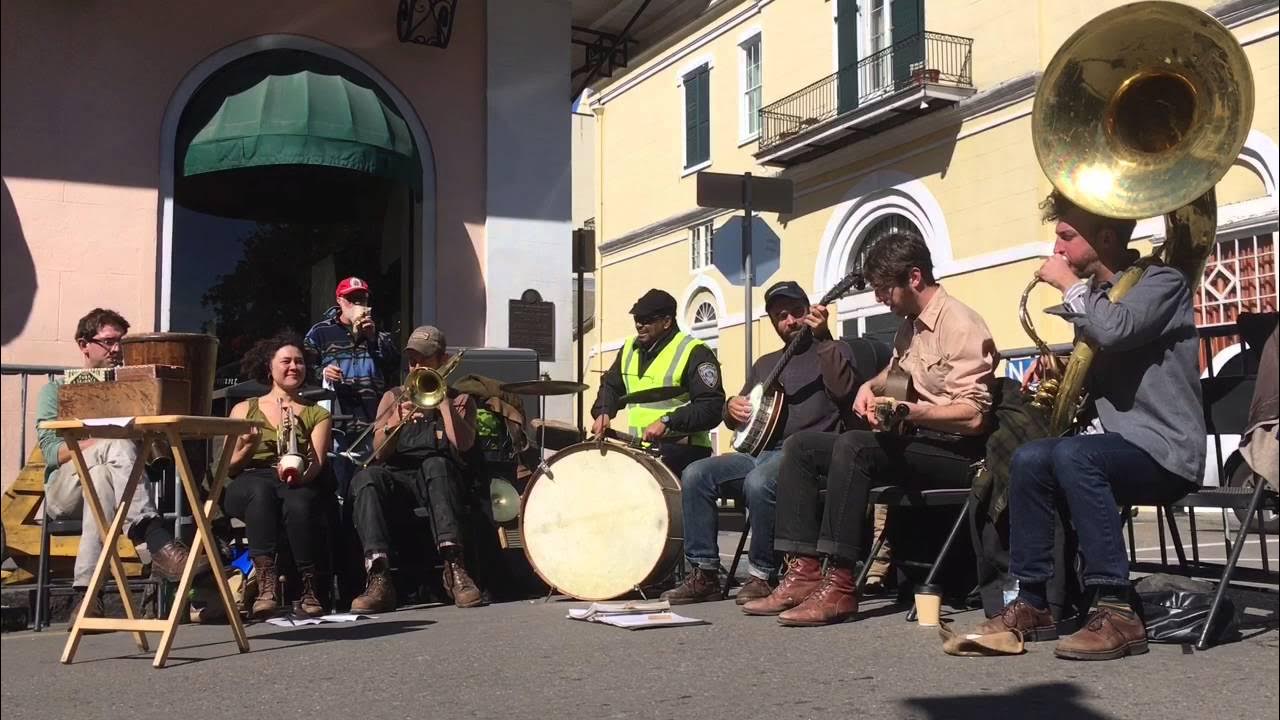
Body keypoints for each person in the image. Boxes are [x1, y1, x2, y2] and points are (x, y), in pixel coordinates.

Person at [976, 191, 1205, 660]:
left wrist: (1069, 287)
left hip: (1165, 451)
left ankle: (1116, 607)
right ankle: (1034, 600)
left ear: (1103, 238)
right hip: (1117, 446)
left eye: (1065, 236)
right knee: (1031, 457)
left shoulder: (1162, 281)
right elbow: (1106, 343)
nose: (1056, 248)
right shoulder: (1097, 299)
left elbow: (1117, 330)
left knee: (1071, 455)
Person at [744, 231, 998, 626]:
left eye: (884, 289)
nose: (880, 298)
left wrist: (907, 411)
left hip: (956, 453)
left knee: (855, 446)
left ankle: (841, 583)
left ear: (914, 278)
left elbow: (974, 415)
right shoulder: (909, 327)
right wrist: (870, 385)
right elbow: (897, 372)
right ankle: (803, 571)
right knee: (802, 446)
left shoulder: (961, 324)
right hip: (919, 441)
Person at [661, 280, 861, 605]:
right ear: (772, 321)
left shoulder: (833, 350)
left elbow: (845, 392)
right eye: (781, 316)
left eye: (796, 312)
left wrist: (824, 338)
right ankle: (705, 573)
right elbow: (737, 416)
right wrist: (730, 409)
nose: (790, 321)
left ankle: (762, 575)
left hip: (807, 458)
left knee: (759, 482)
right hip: (760, 452)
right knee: (697, 473)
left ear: (810, 310)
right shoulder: (765, 364)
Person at [36, 308, 195, 620]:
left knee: (101, 483)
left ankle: (86, 595)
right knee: (113, 449)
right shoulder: (55, 391)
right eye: (109, 342)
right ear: (84, 344)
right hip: (65, 492)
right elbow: (51, 453)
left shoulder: (128, 390)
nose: (117, 350)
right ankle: (152, 537)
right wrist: (104, 442)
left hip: (107, 492)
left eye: (121, 342)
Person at [347, 326, 483, 612]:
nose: (416, 366)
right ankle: (379, 577)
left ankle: (454, 568)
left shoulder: (461, 400)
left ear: (443, 360)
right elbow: (380, 453)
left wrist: (444, 404)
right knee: (366, 478)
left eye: (424, 359)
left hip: (440, 480)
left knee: (436, 465)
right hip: (399, 476)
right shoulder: (393, 397)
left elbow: (463, 445)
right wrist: (396, 422)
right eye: (411, 360)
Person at [224, 332, 334, 619]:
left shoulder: (317, 414)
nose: (293, 367)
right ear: (269, 367)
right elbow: (228, 468)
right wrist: (247, 446)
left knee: (299, 503)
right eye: (285, 361)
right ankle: (265, 585)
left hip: (295, 478)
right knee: (261, 495)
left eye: (299, 362)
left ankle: (308, 587)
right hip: (249, 478)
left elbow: (317, 464)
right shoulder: (243, 409)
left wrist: (300, 474)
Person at [590, 289, 725, 477]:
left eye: (647, 320)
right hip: (641, 451)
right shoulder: (629, 349)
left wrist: (668, 421)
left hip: (684, 454)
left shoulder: (695, 352)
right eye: (636, 319)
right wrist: (603, 412)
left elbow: (712, 407)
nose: (639, 325)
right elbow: (611, 386)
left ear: (667, 322)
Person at [304, 277, 399, 493]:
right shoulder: (320, 332)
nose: (357, 304)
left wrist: (372, 339)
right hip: (336, 419)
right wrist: (323, 372)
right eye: (351, 299)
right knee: (339, 481)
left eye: (362, 299)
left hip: (372, 419)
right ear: (339, 301)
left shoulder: (379, 335)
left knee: (368, 481)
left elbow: (395, 368)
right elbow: (303, 370)